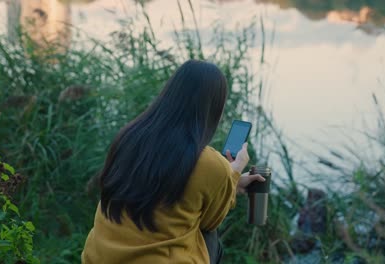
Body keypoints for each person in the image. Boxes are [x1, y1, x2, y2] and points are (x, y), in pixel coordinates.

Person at [82, 60, 265, 264]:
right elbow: (211, 220)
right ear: (215, 109)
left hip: (98, 257)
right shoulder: (210, 164)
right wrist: (235, 170)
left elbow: (168, 187)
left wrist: (233, 181)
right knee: (208, 235)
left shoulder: (129, 137)